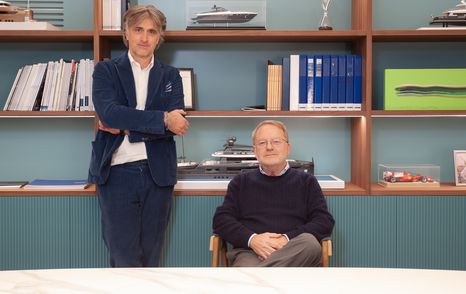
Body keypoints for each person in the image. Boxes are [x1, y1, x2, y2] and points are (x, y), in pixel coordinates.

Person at [88, 5, 189, 267]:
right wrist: (162, 119)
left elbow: (177, 125)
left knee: (151, 259)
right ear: (127, 33)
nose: (144, 38)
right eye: (138, 30)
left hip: (159, 175)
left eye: (152, 31)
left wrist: (126, 125)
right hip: (117, 173)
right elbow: (109, 114)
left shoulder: (171, 76)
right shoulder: (106, 70)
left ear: (159, 37)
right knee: (123, 259)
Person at [213, 120, 334, 267]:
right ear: (255, 150)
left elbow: (324, 221)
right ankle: (258, 279)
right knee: (247, 267)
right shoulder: (241, 182)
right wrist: (253, 240)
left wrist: (285, 239)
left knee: (310, 244)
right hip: (251, 253)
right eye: (262, 143)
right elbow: (221, 220)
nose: (269, 147)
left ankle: (255, 279)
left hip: (294, 251)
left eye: (276, 141)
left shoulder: (306, 181)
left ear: (288, 148)